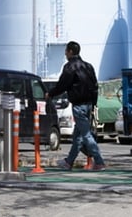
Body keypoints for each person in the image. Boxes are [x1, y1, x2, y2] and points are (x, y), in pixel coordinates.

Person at [47, 41, 106, 171]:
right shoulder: (88, 66)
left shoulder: (69, 67)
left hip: (78, 105)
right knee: (78, 136)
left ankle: (99, 161)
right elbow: (95, 87)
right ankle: (69, 162)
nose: (65, 54)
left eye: (66, 51)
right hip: (89, 104)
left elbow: (62, 85)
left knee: (85, 135)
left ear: (70, 52)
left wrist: (50, 94)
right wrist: (94, 104)